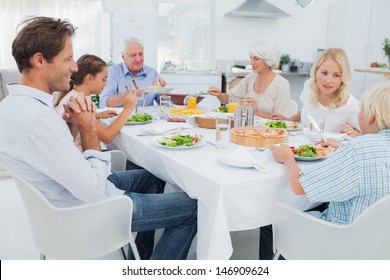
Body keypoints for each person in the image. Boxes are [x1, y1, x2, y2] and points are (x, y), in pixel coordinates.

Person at [0, 16, 197, 260]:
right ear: (40, 60)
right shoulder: (39, 119)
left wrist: (71, 128)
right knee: (193, 209)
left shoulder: (13, 106)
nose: (74, 68)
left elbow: (58, 158)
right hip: (91, 210)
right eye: (68, 59)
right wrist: (87, 128)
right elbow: (94, 189)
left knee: (156, 175)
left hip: (68, 194)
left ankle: (143, 258)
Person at [259, 80, 390, 259]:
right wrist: (345, 148)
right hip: (379, 248)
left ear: (371, 116)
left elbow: (300, 187)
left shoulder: (359, 149)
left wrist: (288, 157)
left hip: (340, 243)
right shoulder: (360, 148)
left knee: (268, 221)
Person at [271, 48, 361, 137]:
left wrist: (355, 133)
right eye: (324, 73)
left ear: (343, 78)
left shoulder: (351, 106)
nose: (328, 80)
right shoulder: (309, 87)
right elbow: (307, 111)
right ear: (316, 71)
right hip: (301, 147)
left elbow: (366, 135)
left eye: (336, 75)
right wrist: (288, 121)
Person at [54, 54, 137, 151]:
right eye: (104, 79)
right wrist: (128, 109)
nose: (106, 84)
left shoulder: (73, 96)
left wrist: (96, 115)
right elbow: (107, 137)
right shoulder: (79, 103)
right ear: (89, 78)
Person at [208, 37, 291, 119]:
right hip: (246, 129)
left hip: (268, 131)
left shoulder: (282, 84)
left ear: (268, 60)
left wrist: (257, 113)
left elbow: (282, 121)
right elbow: (229, 99)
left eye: (256, 59)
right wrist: (219, 95)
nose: (251, 62)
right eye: (250, 57)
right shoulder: (250, 78)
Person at [99, 37, 166, 108]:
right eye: (133, 55)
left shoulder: (152, 73)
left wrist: (162, 89)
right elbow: (104, 103)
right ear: (123, 56)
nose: (138, 59)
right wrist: (129, 95)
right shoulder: (112, 72)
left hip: (148, 118)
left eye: (140, 54)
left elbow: (165, 103)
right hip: (122, 118)